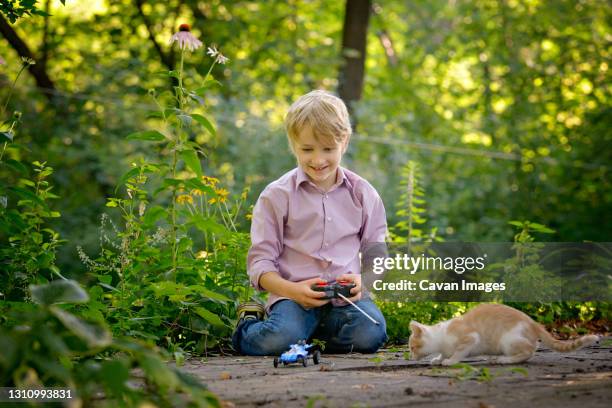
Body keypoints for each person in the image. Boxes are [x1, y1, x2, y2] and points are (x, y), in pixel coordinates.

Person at [232, 90, 388, 355]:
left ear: (345, 142)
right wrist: (292, 290)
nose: (318, 160)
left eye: (328, 149)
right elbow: (260, 264)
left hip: (344, 302)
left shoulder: (363, 193)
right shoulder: (276, 195)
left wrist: (366, 281)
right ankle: (248, 325)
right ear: (293, 144)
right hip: (292, 299)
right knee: (277, 339)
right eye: (307, 149)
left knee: (371, 333)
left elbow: (379, 255)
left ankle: (308, 340)